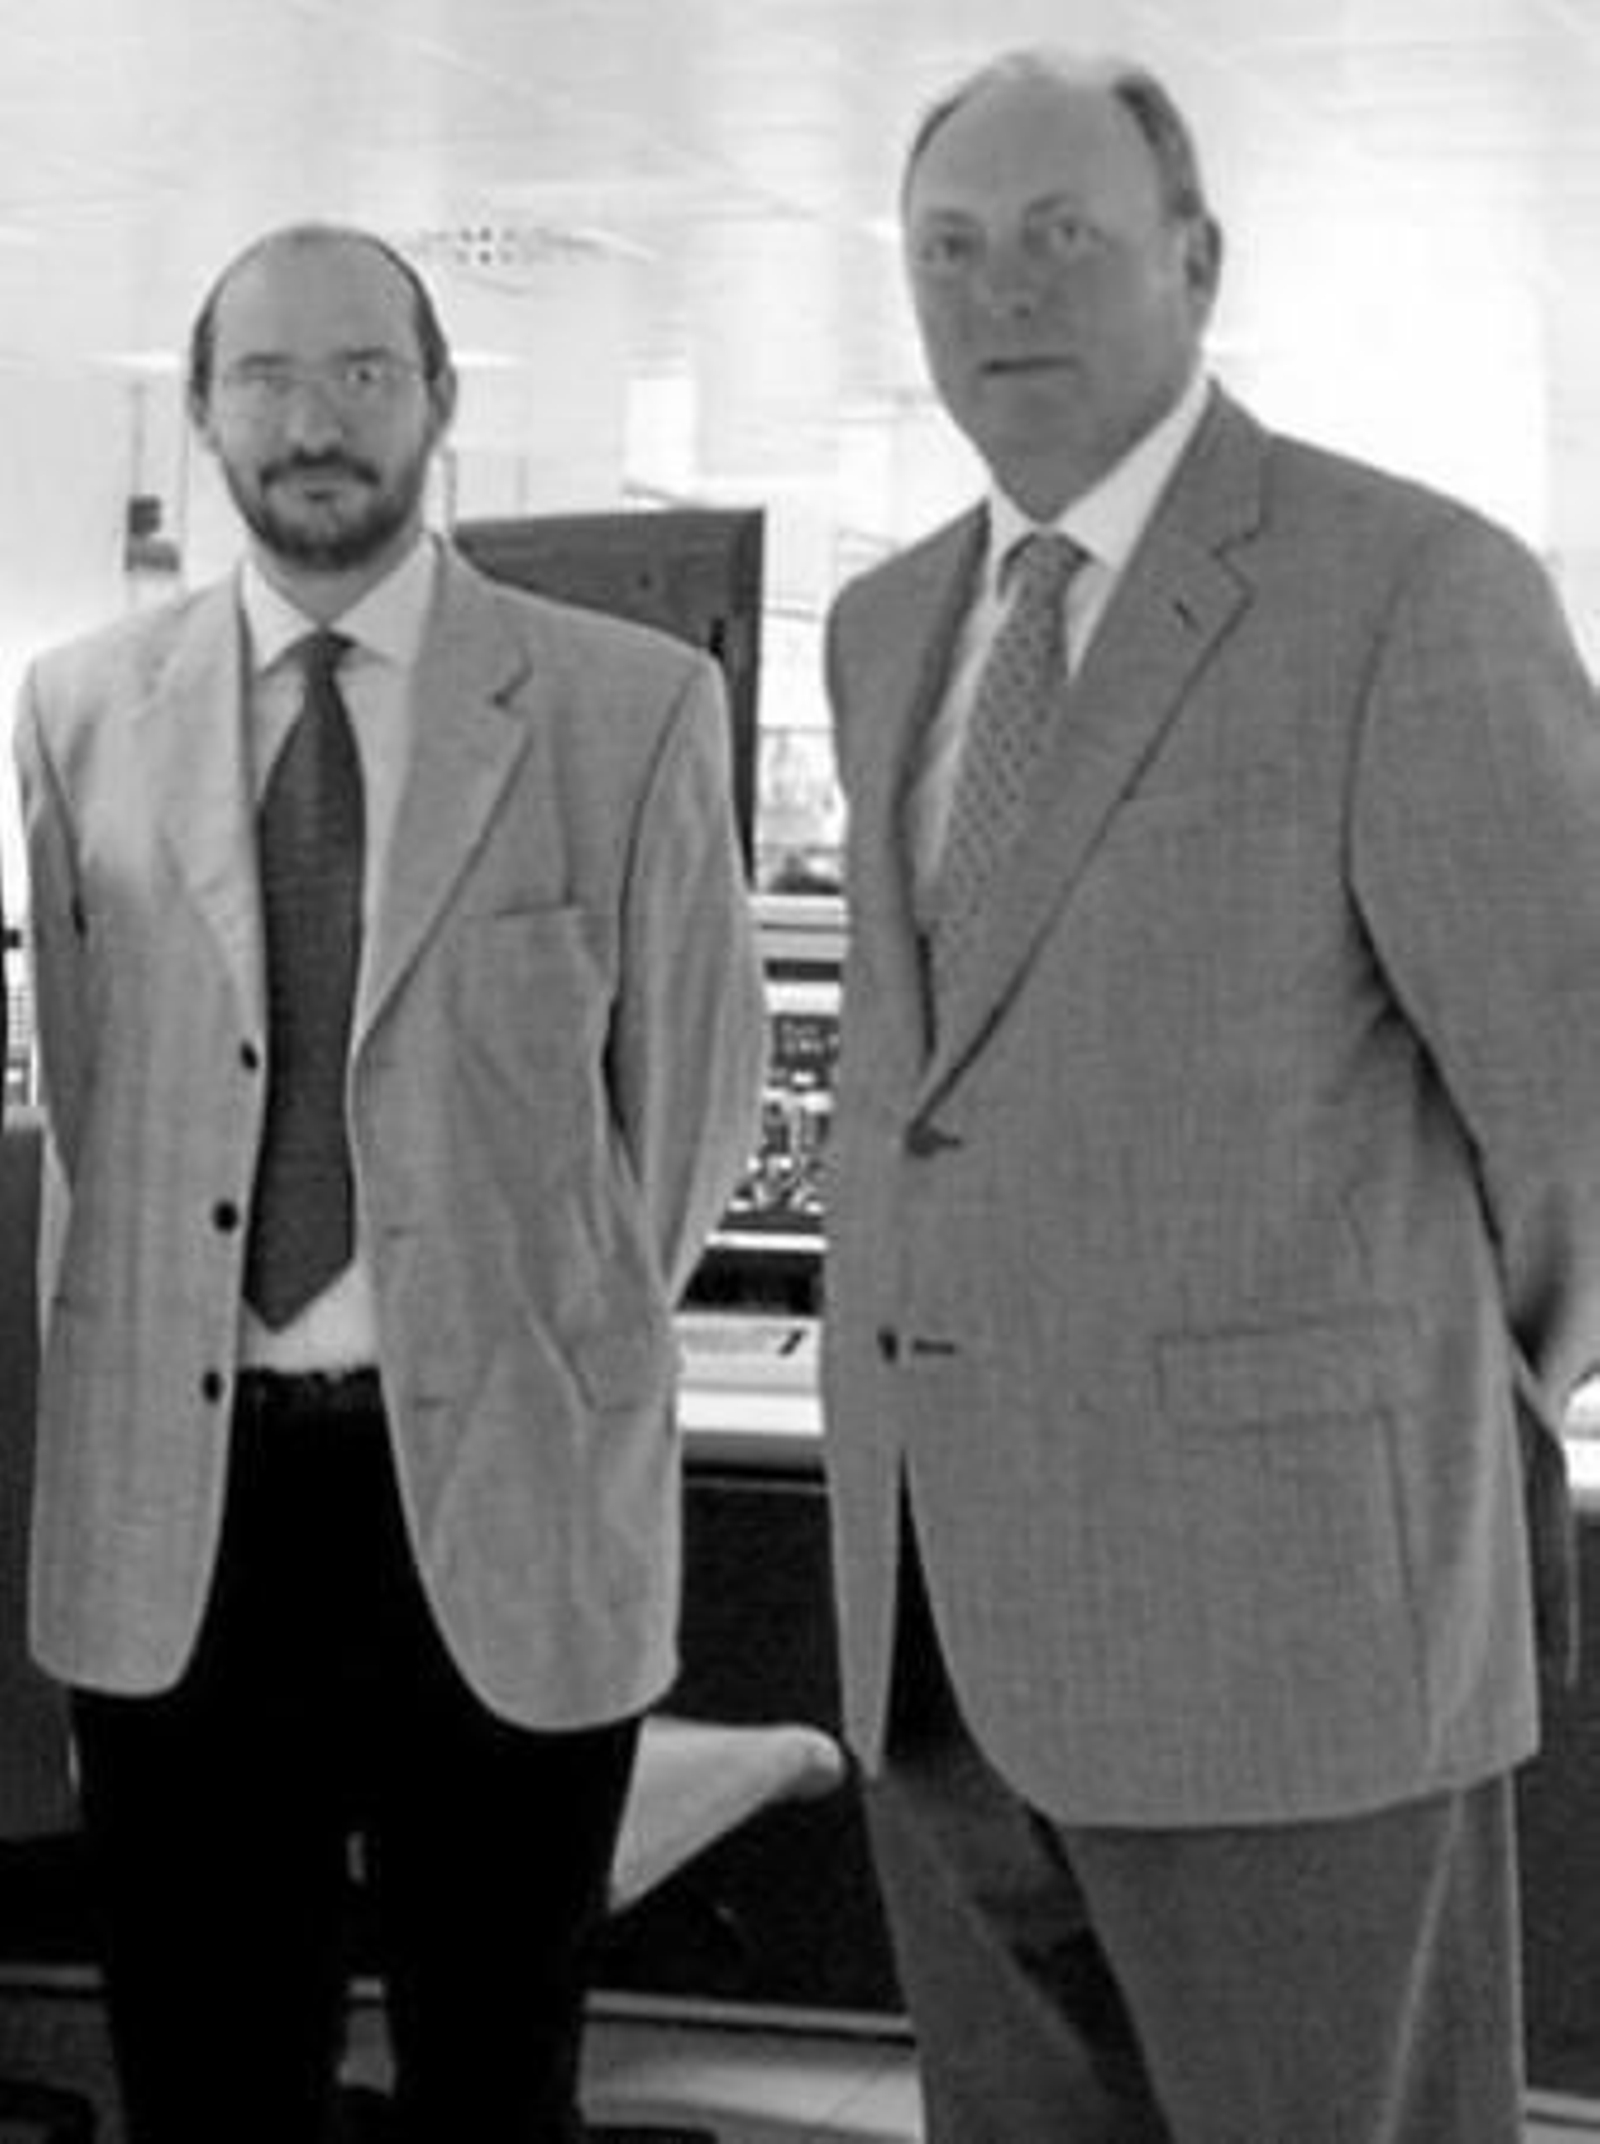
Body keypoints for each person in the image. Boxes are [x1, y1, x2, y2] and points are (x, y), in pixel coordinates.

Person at [819, 46, 1600, 2143]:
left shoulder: (1407, 590)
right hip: (941, 1645)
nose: (1000, 289)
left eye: (1060, 234)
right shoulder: (885, 627)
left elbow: (1574, 1109)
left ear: (1196, 261)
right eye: (947, 247)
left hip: (1291, 1634)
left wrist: (1412, 1408)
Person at [15, 221, 764, 2144]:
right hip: (185, 1510)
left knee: (494, 2077)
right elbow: (99, 1115)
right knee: (206, 2081)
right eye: (265, 377)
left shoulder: (625, 709)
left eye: (362, 372)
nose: (314, 421)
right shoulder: (79, 714)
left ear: (439, 399)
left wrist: (540, 1330)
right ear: (202, 412)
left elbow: (687, 1113)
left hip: (502, 1488)